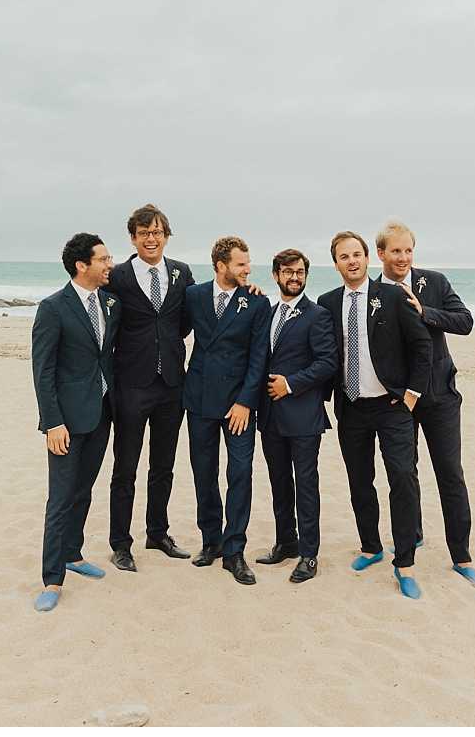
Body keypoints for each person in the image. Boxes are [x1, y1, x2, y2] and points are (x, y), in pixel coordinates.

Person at [318, 231, 432, 599]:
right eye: (343, 256)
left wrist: (412, 394)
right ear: (336, 264)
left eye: (356, 254)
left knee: (402, 477)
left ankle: (405, 562)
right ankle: (371, 547)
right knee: (359, 480)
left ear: (368, 258)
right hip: (351, 407)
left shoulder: (393, 296)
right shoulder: (327, 303)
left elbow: (422, 346)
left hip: (392, 406)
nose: (351, 261)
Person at [376, 220, 475, 589]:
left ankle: (462, 555)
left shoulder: (435, 282)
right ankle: (413, 535)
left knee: (450, 474)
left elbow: (465, 322)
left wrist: (426, 312)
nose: (403, 257)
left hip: (440, 397)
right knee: (404, 475)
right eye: (395, 250)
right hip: (398, 401)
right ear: (381, 253)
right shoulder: (373, 293)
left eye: (408, 250)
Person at [31, 233, 120, 612]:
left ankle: (73, 553)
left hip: (101, 413)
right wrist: (52, 423)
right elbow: (43, 371)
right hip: (65, 421)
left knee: (84, 489)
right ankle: (52, 578)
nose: (110, 264)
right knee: (61, 498)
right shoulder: (53, 308)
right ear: (82, 265)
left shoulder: (110, 302)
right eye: (103, 259)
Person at [107, 204, 194, 572]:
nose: (151, 238)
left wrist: (245, 286)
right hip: (131, 384)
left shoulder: (181, 272)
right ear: (133, 238)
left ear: (166, 236)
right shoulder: (118, 276)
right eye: (144, 233)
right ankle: (120, 543)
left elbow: (189, 318)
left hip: (171, 384)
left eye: (157, 232)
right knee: (125, 467)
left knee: (163, 466)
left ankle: (157, 533)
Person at [183, 236, 272, 585]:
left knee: (240, 473)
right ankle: (211, 541)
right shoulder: (193, 296)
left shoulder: (256, 302)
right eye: (241, 264)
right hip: (200, 398)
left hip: (238, 403)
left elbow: (259, 357)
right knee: (203, 472)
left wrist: (245, 402)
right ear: (221, 266)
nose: (248, 269)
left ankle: (234, 550)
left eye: (248, 263)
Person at [256, 248, 338, 583]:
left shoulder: (317, 315)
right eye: (288, 272)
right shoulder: (268, 313)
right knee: (278, 482)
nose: (294, 277)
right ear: (276, 275)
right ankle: (286, 542)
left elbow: (327, 362)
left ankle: (309, 553)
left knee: (305, 484)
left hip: (303, 416)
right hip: (270, 416)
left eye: (300, 272)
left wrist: (290, 385)